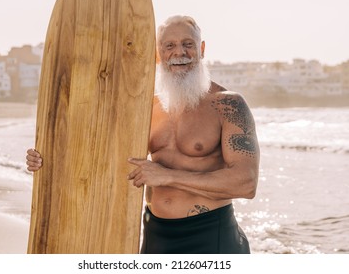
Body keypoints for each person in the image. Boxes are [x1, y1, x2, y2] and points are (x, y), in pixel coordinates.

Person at [26, 15, 260, 254]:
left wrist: (167, 176)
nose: (179, 52)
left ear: (201, 49)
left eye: (188, 44)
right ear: (158, 53)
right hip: (155, 235)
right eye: (169, 46)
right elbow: (97, 157)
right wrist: (46, 160)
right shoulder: (145, 109)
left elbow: (246, 183)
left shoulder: (228, 105)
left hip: (212, 236)